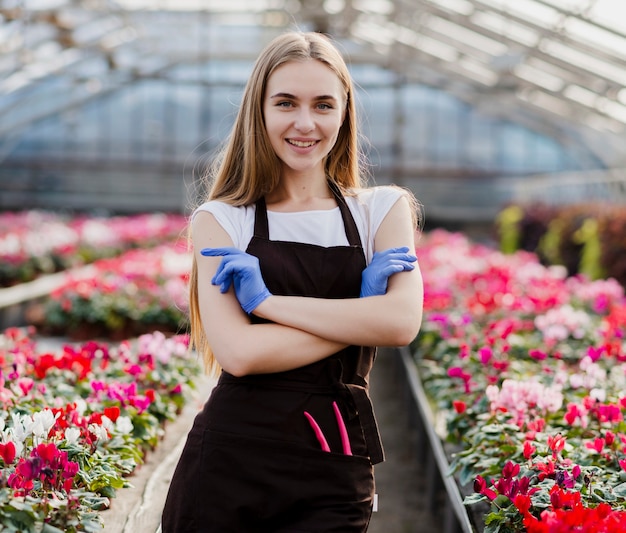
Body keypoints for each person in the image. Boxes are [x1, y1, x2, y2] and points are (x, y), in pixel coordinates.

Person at [161, 30, 424, 533]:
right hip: (228, 462)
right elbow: (240, 354)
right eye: (285, 103)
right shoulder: (220, 220)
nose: (305, 123)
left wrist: (267, 303)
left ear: (345, 111)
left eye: (323, 104)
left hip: (334, 460)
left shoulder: (382, 210)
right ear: (258, 110)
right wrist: (357, 312)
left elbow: (398, 323)